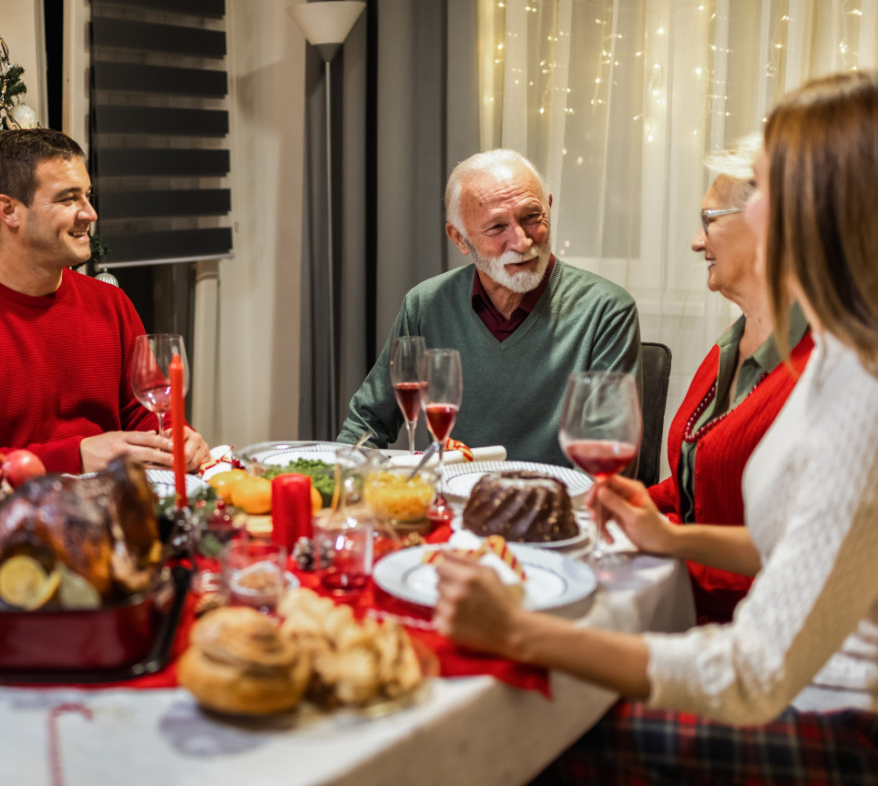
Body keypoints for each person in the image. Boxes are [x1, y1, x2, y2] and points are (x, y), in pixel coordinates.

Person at [436, 70, 878, 783]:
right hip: (795, 686)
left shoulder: (862, 383)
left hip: (836, 722)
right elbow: (804, 543)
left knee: (530, 732)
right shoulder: (836, 352)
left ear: (816, 207)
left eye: (759, 190)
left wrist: (520, 630)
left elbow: (749, 674)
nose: (736, 218)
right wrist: (673, 537)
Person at [0, 128, 210, 508]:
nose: (90, 214)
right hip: (10, 538)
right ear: (8, 210)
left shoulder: (110, 303)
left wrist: (179, 435)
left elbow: (145, 412)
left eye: (87, 196)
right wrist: (77, 457)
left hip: (114, 517)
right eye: (68, 199)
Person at [338, 149, 641, 464]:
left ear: (549, 207)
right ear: (459, 238)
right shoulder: (425, 305)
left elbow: (611, 468)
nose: (522, 241)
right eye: (497, 228)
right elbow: (365, 426)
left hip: (558, 508)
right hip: (451, 505)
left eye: (532, 217)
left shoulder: (607, 310)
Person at [645, 138, 813, 624]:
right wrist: (626, 501)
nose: (698, 242)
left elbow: (795, 563)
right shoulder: (728, 345)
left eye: (707, 221)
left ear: (767, 224)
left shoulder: (819, 367)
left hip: (751, 640)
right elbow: (692, 491)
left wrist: (667, 553)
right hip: (688, 613)